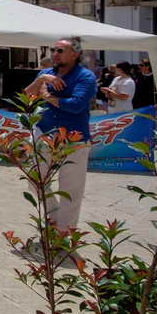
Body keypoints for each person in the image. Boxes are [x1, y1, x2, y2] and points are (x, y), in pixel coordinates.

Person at [22, 37, 98, 233]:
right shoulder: (45, 73)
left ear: (75, 54)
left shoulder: (85, 77)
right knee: (33, 177)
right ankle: (55, 216)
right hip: (44, 132)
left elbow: (76, 105)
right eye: (53, 50)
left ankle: (64, 232)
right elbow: (27, 97)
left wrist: (48, 97)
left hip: (74, 138)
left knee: (71, 187)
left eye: (60, 50)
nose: (54, 54)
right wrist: (41, 80)